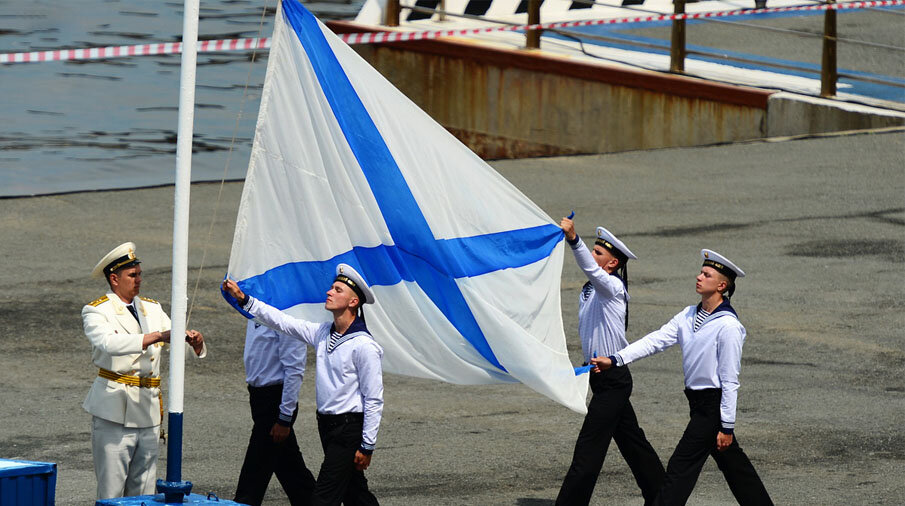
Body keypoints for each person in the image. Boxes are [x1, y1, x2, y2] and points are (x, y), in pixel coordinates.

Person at [592, 249, 773, 506]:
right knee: (736, 469)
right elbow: (655, 340)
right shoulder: (688, 315)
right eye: (701, 272)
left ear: (722, 285)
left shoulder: (729, 327)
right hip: (697, 403)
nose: (699, 277)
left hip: (712, 407)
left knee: (680, 467)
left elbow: (730, 380)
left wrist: (727, 426)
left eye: (707, 274)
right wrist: (616, 359)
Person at [222, 263, 383, 506]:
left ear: (353, 303)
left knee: (323, 498)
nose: (329, 292)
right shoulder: (322, 333)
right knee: (355, 495)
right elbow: (282, 321)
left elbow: (373, 399)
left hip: (348, 429)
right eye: (332, 287)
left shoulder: (364, 346)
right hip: (327, 426)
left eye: (338, 290)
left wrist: (367, 445)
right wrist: (244, 299)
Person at [81, 242, 207, 500]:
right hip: (115, 409)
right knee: (112, 492)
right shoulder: (97, 310)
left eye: (139, 274)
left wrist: (195, 344)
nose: (138, 280)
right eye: (132, 275)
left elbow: (175, 347)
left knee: (144, 492)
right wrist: (156, 336)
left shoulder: (152, 308)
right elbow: (108, 343)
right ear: (114, 279)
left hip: (148, 411)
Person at [555, 218, 665, 506]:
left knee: (588, 448)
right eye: (591, 250)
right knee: (633, 444)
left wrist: (574, 240)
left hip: (614, 378)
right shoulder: (591, 288)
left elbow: (590, 269)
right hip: (600, 377)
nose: (592, 256)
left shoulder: (613, 287)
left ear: (613, 264)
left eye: (598, 253)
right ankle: (663, 497)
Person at [234, 321, 316, 505]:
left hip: (275, 401)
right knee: (290, 468)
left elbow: (294, 370)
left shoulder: (286, 319)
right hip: (259, 398)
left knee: (255, 469)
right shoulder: (255, 313)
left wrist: (284, 419)